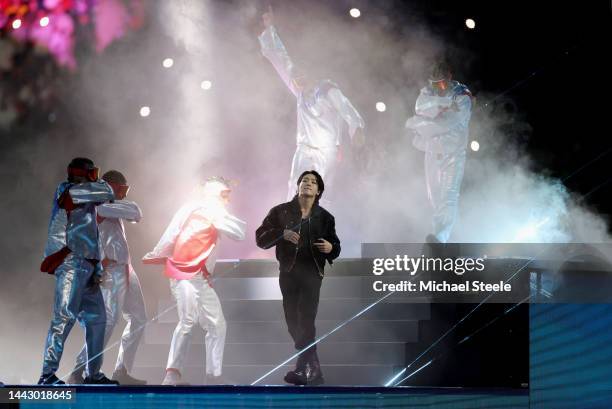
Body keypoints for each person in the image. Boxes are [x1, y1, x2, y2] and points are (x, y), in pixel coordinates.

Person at [143, 177, 246, 385]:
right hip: (182, 272)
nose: (226, 200)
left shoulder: (216, 214)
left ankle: (214, 376)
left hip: (200, 277)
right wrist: (156, 253)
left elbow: (239, 233)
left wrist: (219, 215)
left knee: (218, 324)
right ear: (214, 193)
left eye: (227, 195)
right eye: (224, 195)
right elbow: (172, 232)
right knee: (188, 319)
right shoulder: (191, 208)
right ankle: (172, 374)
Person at [258, 6, 366, 202]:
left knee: (320, 192)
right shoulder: (299, 88)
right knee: (295, 187)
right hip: (304, 149)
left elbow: (347, 109)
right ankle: (292, 228)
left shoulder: (327, 90)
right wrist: (270, 29)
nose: (297, 82)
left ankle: (315, 230)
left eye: (301, 78)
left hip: (326, 152)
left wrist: (356, 128)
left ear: (311, 75)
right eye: (295, 79)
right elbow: (282, 59)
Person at [255, 170, 341, 385]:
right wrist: (281, 234)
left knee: (307, 319)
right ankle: (314, 368)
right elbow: (260, 238)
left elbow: (336, 246)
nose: (308, 184)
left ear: (319, 190)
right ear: (298, 186)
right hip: (289, 272)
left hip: (312, 272)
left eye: (313, 182)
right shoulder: (280, 212)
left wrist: (331, 247)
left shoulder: (326, 218)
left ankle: (302, 369)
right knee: (292, 320)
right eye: (304, 181)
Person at [38, 157, 118, 385]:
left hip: (88, 265)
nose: (96, 176)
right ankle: (47, 375)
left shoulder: (86, 194)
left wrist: (97, 269)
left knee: (98, 320)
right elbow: (107, 191)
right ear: (83, 173)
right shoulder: (69, 191)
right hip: (72, 261)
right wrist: (99, 182)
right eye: (92, 172)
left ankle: (93, 375)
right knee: (63, 318)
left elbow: (93, 235)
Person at [68, 170, 147, 385]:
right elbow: (134, 212)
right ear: (110, 185)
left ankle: (122, 370)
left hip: (126, 268)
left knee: (139, 319)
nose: (124, 194)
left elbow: (135, 213)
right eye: (122, 189)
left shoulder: (108, 207)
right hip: (110, 271)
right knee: (108, 321)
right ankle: (79, 369)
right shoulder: (95, 205)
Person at [405, 60, 473, 243]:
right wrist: (444, 102)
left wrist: (421, 125)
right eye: (435, 84)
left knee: (448, 197)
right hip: (432, 153)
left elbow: (449, 124)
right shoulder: (430, 91)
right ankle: (436, 239)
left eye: (442, 83)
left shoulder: (463, 95)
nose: (438, 87)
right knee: (434, 198)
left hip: (453, 155)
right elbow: (419, 107)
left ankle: (441, 237)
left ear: (450, 77)